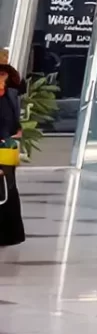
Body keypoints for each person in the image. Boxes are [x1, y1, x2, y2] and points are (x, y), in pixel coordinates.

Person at [0, 63, 24, 249]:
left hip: (6, 149)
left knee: (8, 190)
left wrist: (16, 131)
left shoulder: (10, 95)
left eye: (3, 76)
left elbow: (13, 122)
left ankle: (9, 234)